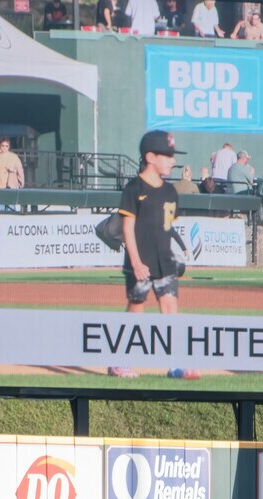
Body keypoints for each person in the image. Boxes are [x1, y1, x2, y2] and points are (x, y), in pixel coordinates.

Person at [111, 129, 183, 375]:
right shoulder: (134, 188)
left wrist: (175, 255)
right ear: (150, 156)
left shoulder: (170, 191)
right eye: (167, 155)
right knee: (136, 309)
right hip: (140, 261)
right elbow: (128, 229)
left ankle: (175, 363)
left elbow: (167, 227)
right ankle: (120, 360)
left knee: (170, 309)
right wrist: (136, 261)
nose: (172, 160)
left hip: (165, 260)